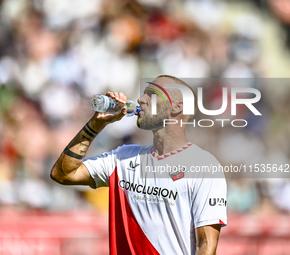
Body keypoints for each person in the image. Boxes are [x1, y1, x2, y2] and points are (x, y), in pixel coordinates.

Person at [51, 75, 227, 255]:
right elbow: (63, 174)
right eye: (143, 94)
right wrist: (95, 125)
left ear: (177, 107)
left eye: (152, 94)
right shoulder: (123, 157)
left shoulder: (204, 167)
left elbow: (206, 246)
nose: (141, 99)